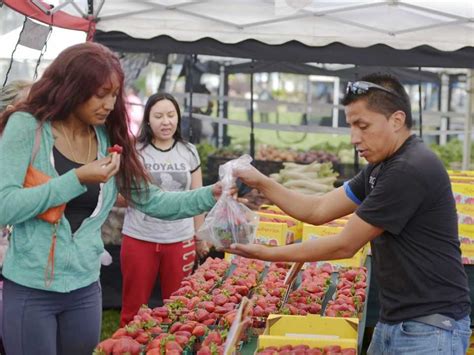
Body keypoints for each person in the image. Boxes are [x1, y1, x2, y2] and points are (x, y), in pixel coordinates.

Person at [0, 42, 226, 355]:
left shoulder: (107, 137)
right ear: (71, 87)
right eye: (100, 93)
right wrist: (77, 179)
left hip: (84, 289)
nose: (109, 103)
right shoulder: (27, 127)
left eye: (114, 94)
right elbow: (4, 206)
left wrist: (209, 194)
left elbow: (152, 201)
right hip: (31, 289)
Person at [227, 73, 472, 354]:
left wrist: (265, 254)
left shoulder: (409, 168)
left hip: (428, 330)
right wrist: (260, 181)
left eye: (363, 125)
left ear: (396, 120)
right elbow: (317, 210)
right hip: (397, 322)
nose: (354, 138)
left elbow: (345, 244)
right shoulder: (381, 167)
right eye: (351, 126)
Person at [119, 92, 209, 326]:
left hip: (179, 240)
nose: (165, 121)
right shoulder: (135, 151)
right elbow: (120, 195)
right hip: (139, 238)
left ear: (178, 118)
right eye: (158, 116)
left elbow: (196, 197)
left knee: (177, 309)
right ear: (148, 120)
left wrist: (200, 236)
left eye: (171, 115)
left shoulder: (188, 151)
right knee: (133, 310)